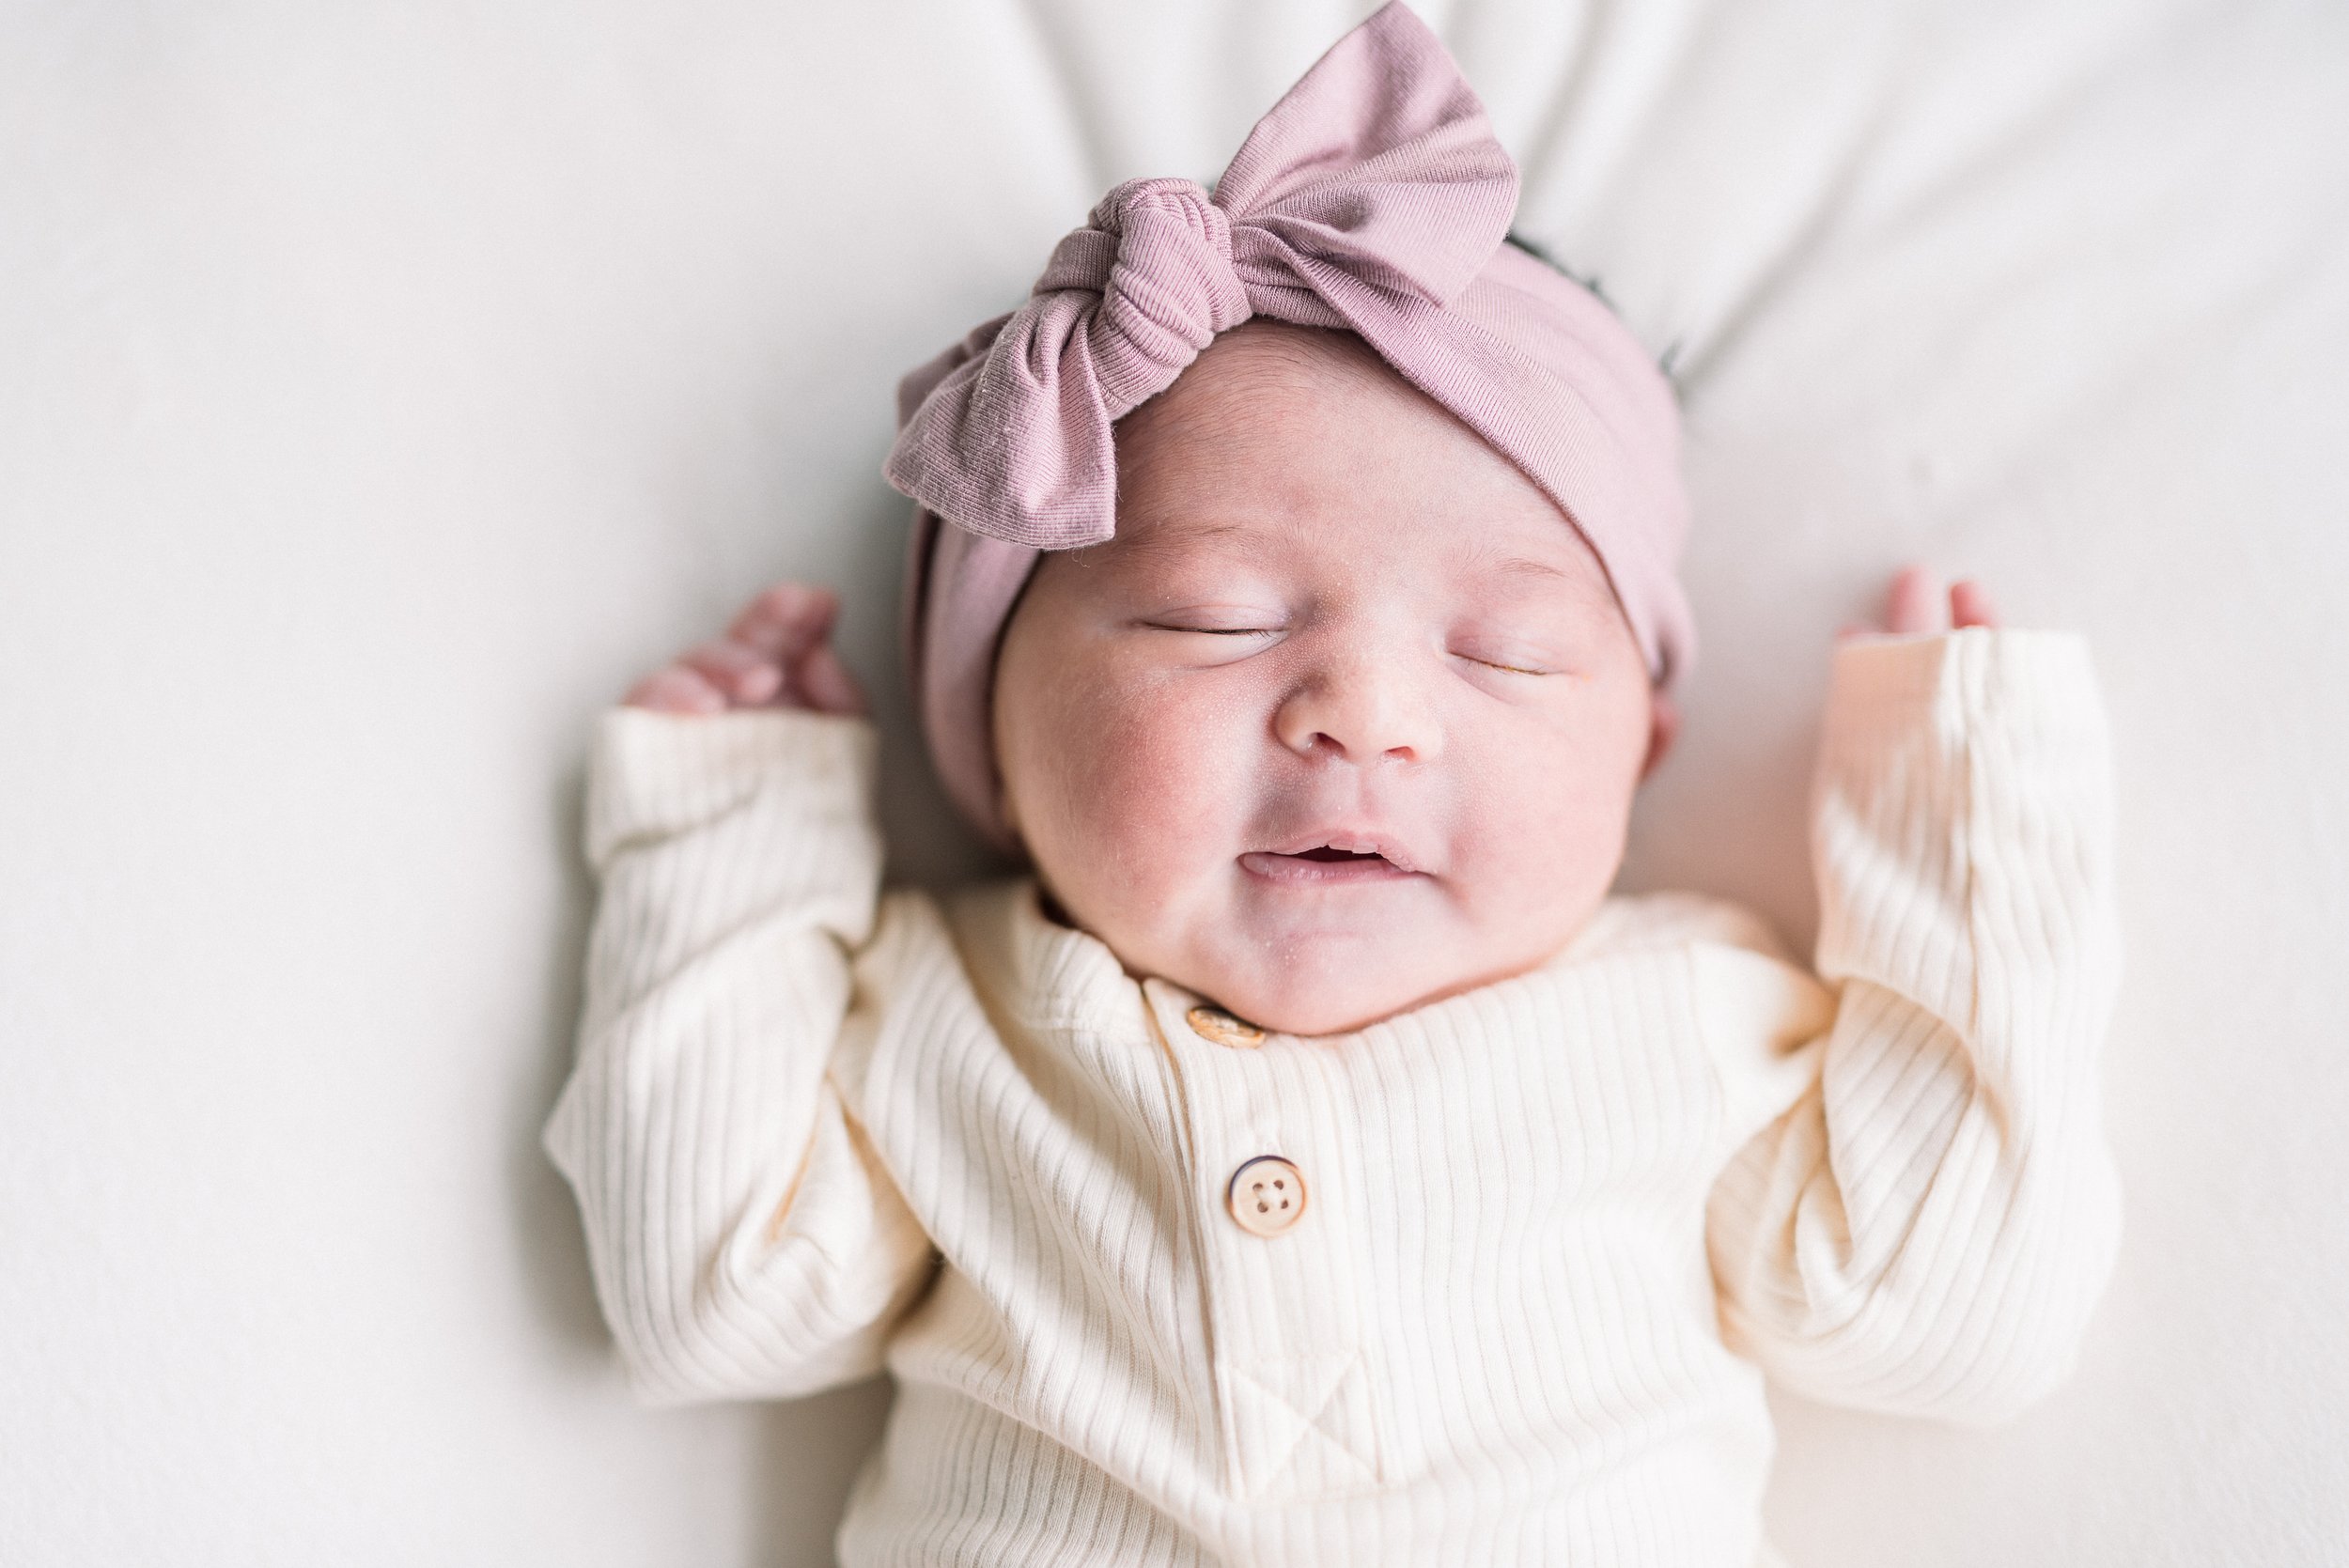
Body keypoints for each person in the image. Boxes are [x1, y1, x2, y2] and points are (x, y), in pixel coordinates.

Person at [542, 6, 2121, 1563]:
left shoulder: (1689, 1016)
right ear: (992, 740)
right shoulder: (938, 1013)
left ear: (1641, 744)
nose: (1363, 720)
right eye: (1211, 618)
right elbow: (710, 1294)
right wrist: (736, 834)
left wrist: (1961, 831)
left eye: (1503, 653)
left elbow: (1950, 1309)